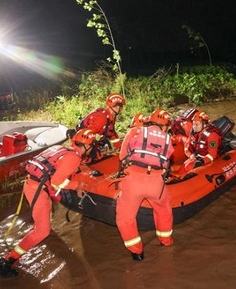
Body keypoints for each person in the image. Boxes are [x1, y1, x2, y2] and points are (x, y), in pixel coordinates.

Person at [0, 129, 96, 278]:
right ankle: (7, 262)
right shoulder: (73, 158)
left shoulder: (61, 149)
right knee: (42, 231)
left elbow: (52, 172)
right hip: (37, 190)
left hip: (33, 184)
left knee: (43, 223)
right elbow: (56, 182)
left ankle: (10, 259)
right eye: (92, 146)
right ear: (87, 146)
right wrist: (76, 186)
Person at [116, 108, 175, 261]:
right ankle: (166, 242)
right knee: (164, 210)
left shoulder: (135, 131)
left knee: (125, 217)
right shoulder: (168, 139)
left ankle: (137, 253)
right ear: (165, 125)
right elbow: (167, 161)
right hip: (156, 184)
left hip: (134, 182)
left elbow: (122, 157)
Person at [69, 92, 126, 163]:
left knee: (108, 148)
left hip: (86, 138)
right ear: (111, 105)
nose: (119, 108)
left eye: (120, 106)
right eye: (116, 106)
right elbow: (87, 135)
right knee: (96, 154)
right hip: (81, 140)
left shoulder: (110, 116)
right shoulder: (102, 118)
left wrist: (121, 147)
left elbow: (111, 133)